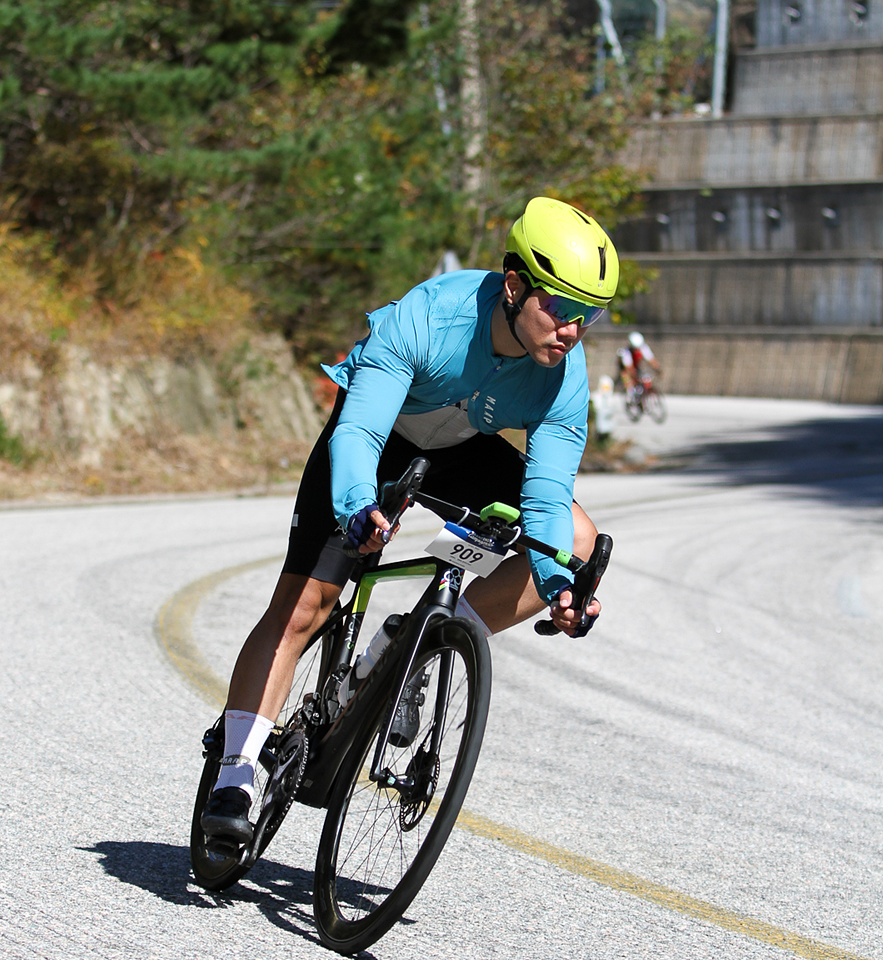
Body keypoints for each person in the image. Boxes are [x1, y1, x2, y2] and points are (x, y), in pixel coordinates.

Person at [203, 196, 619, 848]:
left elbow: (546, 497)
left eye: (588, 317)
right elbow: (360, 431)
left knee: (577, 543)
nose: (572, 330)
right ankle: (235, 772)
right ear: (514, 286)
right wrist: (357, 509)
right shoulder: (431, 315)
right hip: (377, 439)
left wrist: (559, 584)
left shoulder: (563, 377)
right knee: (306, 606)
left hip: (461, 450)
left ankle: (420, 641)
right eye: (561, 307)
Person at [616, 331, 661, 395]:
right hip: (626, 369)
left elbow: (651, 360)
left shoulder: (643, 348)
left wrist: (658, 369)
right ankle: (629, 395)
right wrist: (635, 377)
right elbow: (629, 367)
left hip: (637, 367)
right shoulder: (626, 352)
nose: (637, 350)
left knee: (644, 380)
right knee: (628, 379)